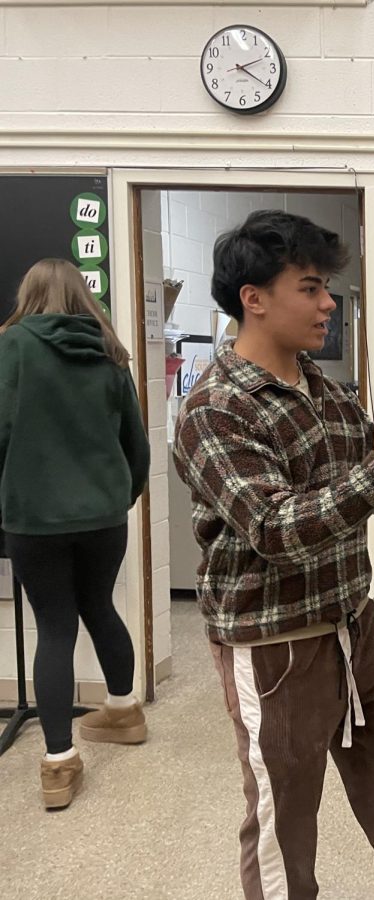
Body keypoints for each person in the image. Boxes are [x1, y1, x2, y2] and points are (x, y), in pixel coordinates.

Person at [172, 210, 374, 900]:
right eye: (310, 286)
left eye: (327, 286)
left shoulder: (322, 391)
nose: (329, 302)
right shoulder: (216, 407)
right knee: (286, 830)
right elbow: (271, 528)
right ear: (255, 298)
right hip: (275, 647)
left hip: (352, 629)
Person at [0, 258, 151, 809]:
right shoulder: (110, 353)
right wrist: (118, 497)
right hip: (103, 516)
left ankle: (59, 763)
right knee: (100, 607)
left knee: (55, 628)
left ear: (31, 294)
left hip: (35, 517)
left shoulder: (11, 347)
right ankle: (123, 709)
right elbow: (136, 446)